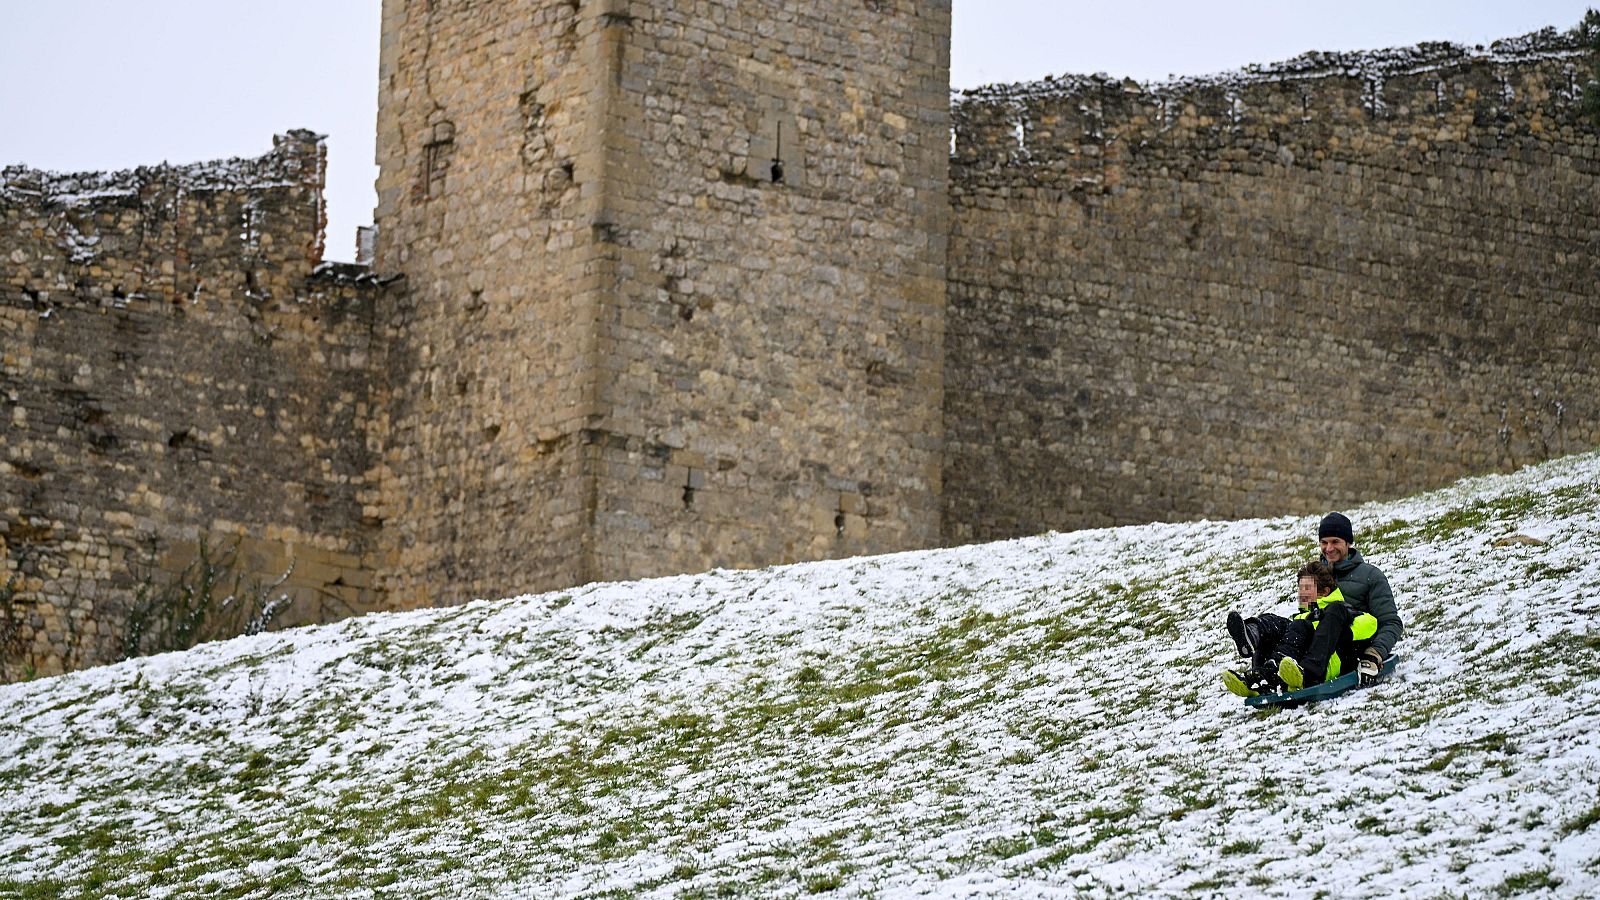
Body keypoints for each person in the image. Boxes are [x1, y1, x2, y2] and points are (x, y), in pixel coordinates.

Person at [1277, 512, 1403, 691]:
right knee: (1275, 625)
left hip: (1348, 647)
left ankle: (1308, 673)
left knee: (1335, 611)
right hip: (1311, 640)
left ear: (1348, 543)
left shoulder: (1370, 576)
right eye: (1324, 542)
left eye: (1335, 542)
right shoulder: (1314, 575)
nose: (1329, 548)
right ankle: (1264, 675)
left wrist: (1373, 655)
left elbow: (1391, 622)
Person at [1222, 560, 1372, 697]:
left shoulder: (1343, 611)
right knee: (1272, 622)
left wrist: (1342, 631)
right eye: (1300, 588)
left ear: (1325, 591)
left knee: (1300, 625)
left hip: (1320, 666)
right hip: (1292, 660)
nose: (1301, 593)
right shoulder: (1300, 618)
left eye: (1307, 588)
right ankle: (1252, 640)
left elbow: (1370, 624)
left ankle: (1279, 674)